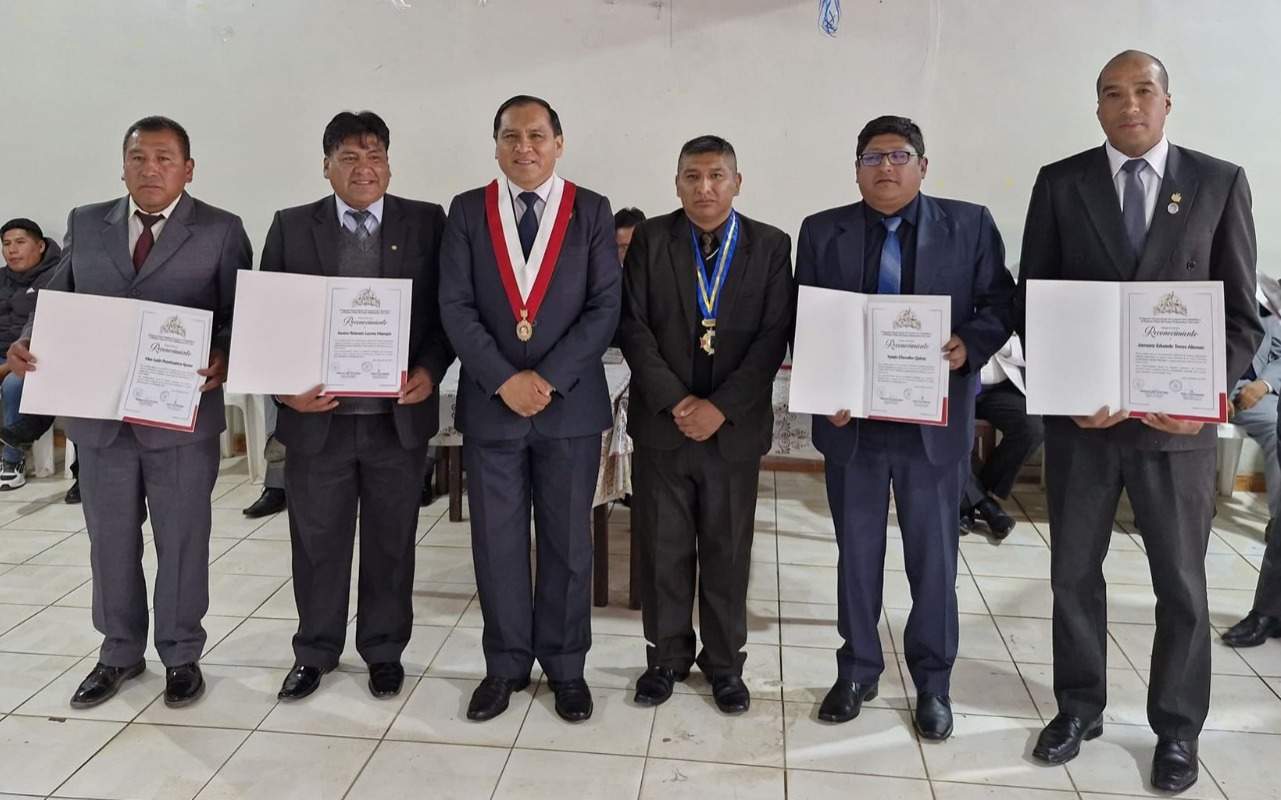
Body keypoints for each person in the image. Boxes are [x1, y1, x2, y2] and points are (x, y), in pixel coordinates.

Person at [1018, 51, 1261, 793]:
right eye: (1113, 94)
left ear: (1166, 102)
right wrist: (1062, 389)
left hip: (1175, 433)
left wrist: (1201, 397)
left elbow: (1240, 320)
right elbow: (1036, 301)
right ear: (1097, 107)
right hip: (1083, 429)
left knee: (1181, 586)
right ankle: (1077, 708)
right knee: (1071, 575)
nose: (1129, 105)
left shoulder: (1217, 182)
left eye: (1143, 91)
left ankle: (1177, 729)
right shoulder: (1060, 183)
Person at [6, 115, 252, 709]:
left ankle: (181, 653)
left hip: (180, 418)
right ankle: (118, 651)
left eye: (165, 158)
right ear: (122, 167)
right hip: (102, 419)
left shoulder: (221, 229)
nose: (151, 169)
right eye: (139, 158)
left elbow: (239, 313)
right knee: (109, 541)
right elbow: (57, 297)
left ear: (188, 169)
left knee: (182, 540)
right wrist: (29, 340)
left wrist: (223, 353)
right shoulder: (87, 222)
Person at [795, 115, 1014, 740]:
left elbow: (1001, 303)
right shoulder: (822, 230)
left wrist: (968, 344)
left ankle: (933, 681)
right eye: (872, 157)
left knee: (934, 559)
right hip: (854, 427)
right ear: (856, 169)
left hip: (931, 425)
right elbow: (805, 317)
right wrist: (825, 385)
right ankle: (857, 670)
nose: (885, 167)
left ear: (923, 165)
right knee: (857, 555)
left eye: (898, 156)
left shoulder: (969, 225)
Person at [439, 95, 620, 723]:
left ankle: (567, 668)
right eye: (511, 136)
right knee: (497, 543)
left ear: (559, 143)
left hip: (567, 406)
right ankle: (505, 665)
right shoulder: (468, 210)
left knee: (569, 544)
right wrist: (502, 380)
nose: (525, 147)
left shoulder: (590, 210)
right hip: (494, 407)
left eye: (537, 135)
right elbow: (455, 305)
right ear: (495, 145)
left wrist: (545, 378)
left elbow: (604, 306)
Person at [265, 111, 454, 701]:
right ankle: (314, 651)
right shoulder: (292, 226)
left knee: (391, 543)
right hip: (316, 421)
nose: (363, 168)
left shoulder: (426, 222)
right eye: (348, 157)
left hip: (395, 423)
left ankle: (384, 650)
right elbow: (269, 318)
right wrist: (283, 389)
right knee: (316, 543)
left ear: (389, 165)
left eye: (374, 156)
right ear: (326, 167)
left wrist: (430, 370)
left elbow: (446, 313)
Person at [619, 135, 794, 714]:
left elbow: (773, 337)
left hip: (732, 430)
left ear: (737, 182)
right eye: (692, 176)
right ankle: (665, 659)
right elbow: (633, 328)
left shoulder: (770, 245)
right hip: (663, 426)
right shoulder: (650, 240)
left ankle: (724, 665)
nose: (705, 188)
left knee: (727, 551)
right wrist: (677, 402)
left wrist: (720, 407)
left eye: (717, 175)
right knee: (662, 550)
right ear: (677, 184)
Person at [960, 333, 1042, 538]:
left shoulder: (1011, 310)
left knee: (1032, 428)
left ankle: (971, 498)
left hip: (1001, 386)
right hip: (958, 383)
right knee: (951, 432)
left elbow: (1035, 345)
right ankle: (985, 505)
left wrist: (1002, 344)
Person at [0, 218, 62, 490]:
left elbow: (49, 329)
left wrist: (6, 368)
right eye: (6, 244)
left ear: (40, 246)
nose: (12, 250)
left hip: (33, 358)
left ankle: (12, 461)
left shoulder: (58, 277)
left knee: (14, 384)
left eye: (20, 242)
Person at [1224, 276, 1281, 519]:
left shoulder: (1270, 299)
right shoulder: (1206, 282)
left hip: (1250, 389)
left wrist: (1264, 385)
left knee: (1278, 425)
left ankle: (1278, 525)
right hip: (1204, 382)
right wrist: (1218, 390)